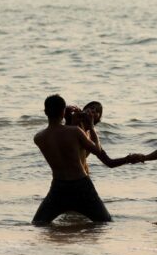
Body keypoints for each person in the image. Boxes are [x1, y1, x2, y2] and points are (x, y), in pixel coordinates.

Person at [32, 94, 136, 225]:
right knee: (105, 223)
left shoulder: (39, 138)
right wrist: (92, 126)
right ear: (63, 111)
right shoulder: (75, 132)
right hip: (81, 185)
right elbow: (97, 150)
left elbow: (61, 139)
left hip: (58, 187)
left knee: (38, 223)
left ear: (45, 112)